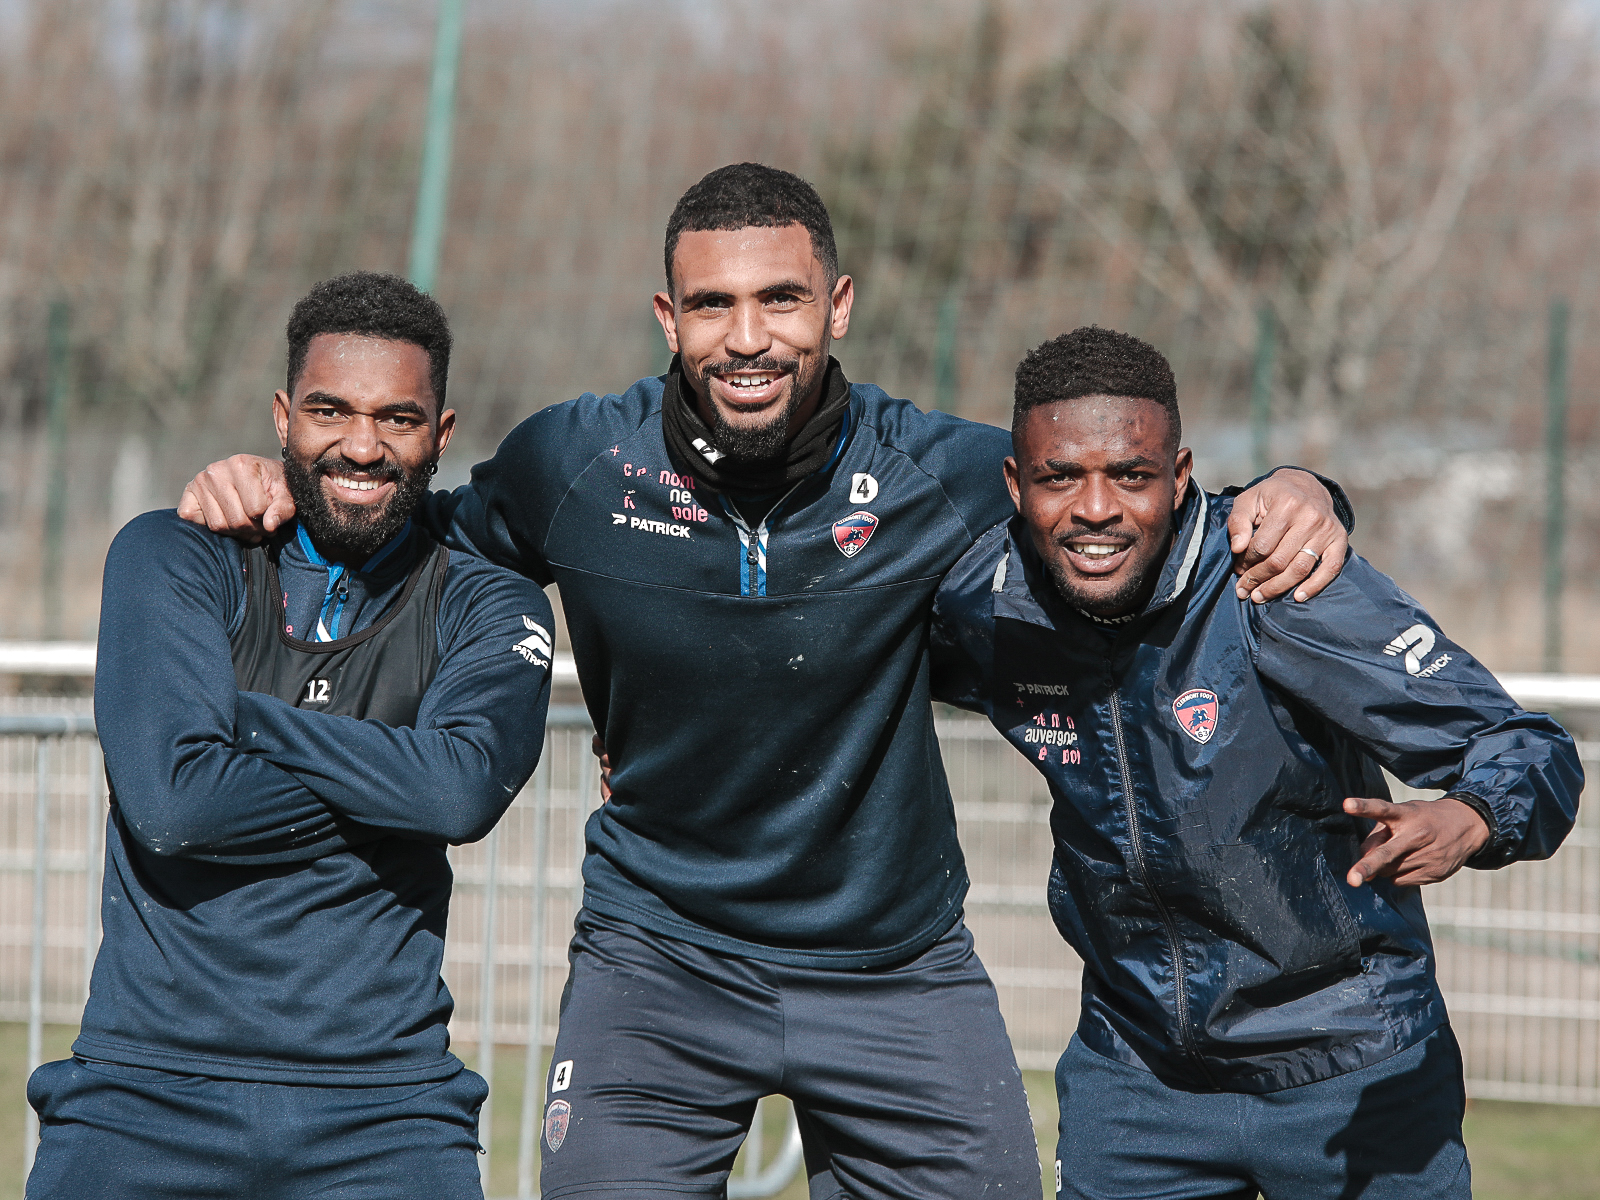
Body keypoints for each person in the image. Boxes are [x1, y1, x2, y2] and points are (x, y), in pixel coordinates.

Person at [178, 165, 1350, 1200]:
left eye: (780, 299)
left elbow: (1128, 507)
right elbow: (407, 525)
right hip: (658, 956)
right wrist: (263, 487)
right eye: (712, 304)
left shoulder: (933, 469)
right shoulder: (575, 464)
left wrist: (1305, 487)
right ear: (666, 318)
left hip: (895, 966)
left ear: (836, 306)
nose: (748, 336)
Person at [930, 325, 1583, 1199]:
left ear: (1179, 474)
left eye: (1130, 474)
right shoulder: (988, 607)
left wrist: (1471, 815)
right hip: (1138, 1084)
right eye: (1059, 477)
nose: (1095, 509)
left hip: (1354, 1070)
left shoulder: (1276, 586)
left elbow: (1531, 748)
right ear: (1015, 484)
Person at [27, 272, 555, 1200]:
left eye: (398, 418)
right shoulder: (172, 553)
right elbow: (176, 803)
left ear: (443, 434)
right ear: (282, 418)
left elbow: (459, 792)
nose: (361, 444)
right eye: (328, 410)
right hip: (143, 1094)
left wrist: (238, 721)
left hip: (387, 1111)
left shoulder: (488, 600)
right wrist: (398, 760)